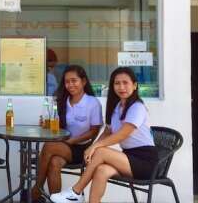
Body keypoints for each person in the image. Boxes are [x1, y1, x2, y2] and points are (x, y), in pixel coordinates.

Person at [50, 67, 159, 203]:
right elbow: (108, 132)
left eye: (125, 83)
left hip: (145, 162)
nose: (121, 87)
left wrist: (94, 148)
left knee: (101, 152)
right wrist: (94, 146)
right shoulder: (118, 107)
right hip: (128, 157)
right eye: (117, 83)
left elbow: (121, 135)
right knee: (101, 170)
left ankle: (76, 192)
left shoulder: (137, 107)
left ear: (135, 85)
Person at [30, 65, 102, 202]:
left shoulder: (92, 103)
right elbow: (58, 127)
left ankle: (37, 188)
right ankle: (55, 199)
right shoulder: (63, 101)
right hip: (64, 144)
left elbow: (94, 131)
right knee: (54, 162)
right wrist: (46, 125)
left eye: (74, 81)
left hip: (82, 148)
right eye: (67, 81)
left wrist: (73, 141)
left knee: (50, 146)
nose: (70, 85)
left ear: (83, 82)